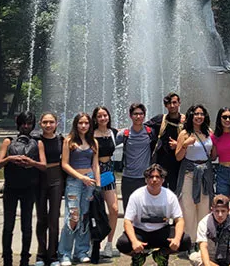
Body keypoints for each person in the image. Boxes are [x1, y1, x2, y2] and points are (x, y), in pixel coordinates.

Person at [116, 163, 192, 266]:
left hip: (162, 232)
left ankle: (161, 254)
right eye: (151, 177)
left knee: (185, 241)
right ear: (146, 179)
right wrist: (134, 242)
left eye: (158, 177)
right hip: (141, 232)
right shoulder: (136, 195)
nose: (154, 180)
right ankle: (138, 256)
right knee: (122, 243)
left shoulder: (170, 196)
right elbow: (127, 221)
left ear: (163, 179)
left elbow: (179, 220)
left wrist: (177, 239)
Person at [0, 111, 46, 266]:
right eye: (23, 123)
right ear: (18, 123)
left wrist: (31, 162)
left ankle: (25, 258)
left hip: (29, 189)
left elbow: (44, 166)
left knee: (27, 225)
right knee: (8, 225)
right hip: (11, 188)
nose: (26, 126)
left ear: (33, 125)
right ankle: (7, 258)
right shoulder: (8, 141)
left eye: (29, 123)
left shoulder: (37, 142)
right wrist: (10, 158)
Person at [59, 113, 101, 266]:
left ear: (90, 125)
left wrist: (98, 184)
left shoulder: (93, 142)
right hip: (74, 181)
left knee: (85, 216)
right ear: (76, 124)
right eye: (80, 123)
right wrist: (80, 177)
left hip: (89, 181)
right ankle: (64, 253)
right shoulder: (69, 141)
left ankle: (81, 251)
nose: (83, 126)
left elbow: (95, 165)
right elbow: (64, 164)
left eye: (86, 123)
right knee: (73, 217)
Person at [175, 105, 215, 245]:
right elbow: (178, 157)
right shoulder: (185, 133)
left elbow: (213, 155)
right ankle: (190, 242)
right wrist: (185, 144)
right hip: (189, 173)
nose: (199, 116)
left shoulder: (209, 132)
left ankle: (202, 241)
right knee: (188, 207)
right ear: (191, 116)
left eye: (201, 114)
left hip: (205, 173)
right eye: (196, 114)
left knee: (205, 206)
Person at [189, 195, 230, 266]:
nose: (220, 214)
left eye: (223, 211)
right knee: (194, 256)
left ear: (228, 211)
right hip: (211, 258)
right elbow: (203, 247)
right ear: (212, 210)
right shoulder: (204, 223)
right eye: (217, 211)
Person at [34, 111, 64, 266]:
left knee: (53, 218)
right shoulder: (35, 140)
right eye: (45, 122)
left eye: (51, 122)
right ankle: (40, 254)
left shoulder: (61, 139)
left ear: (56, 124)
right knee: (41, 219)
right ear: (40, 123)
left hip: (56, 178)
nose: (48, 125)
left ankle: (53, 255)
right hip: (39, 179)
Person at [90, 106, 120, 259]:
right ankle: (92, 243)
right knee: (93, 209)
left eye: (105, 115)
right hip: (92, 172)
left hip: (108, 171)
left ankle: (109, 243)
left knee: (114, 209)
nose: (103, 118)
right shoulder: (90, 134)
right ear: (95, 118)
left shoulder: (114, 133)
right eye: (99, 116)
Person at [117, 103, 157, 213]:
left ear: (144, 115)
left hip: (145, 178)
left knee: (144, 211)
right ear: (130, 116)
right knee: (129, 211)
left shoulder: (150, 132)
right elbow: (108, 145)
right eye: (135, 114)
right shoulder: (124, 134)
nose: (138, 116)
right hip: (128, 178)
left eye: (141, 114)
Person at [147, 93, 184, 191]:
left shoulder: (185, 121)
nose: (172, 105)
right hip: (161, 164)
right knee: (160, 192)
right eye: (169, 103)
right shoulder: (160, 119)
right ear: (165, 105)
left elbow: (195, 136)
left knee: (176, 194)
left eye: (174, 102)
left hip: (178, 165)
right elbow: (142, 127)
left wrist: (178, 145)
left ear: (179, 103)